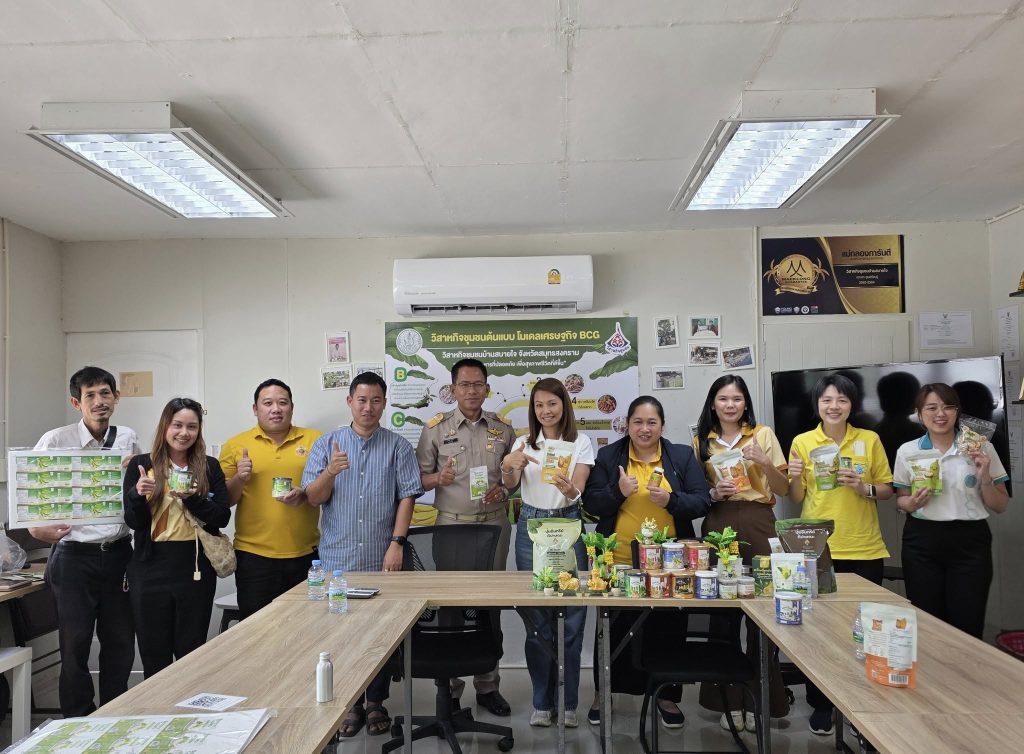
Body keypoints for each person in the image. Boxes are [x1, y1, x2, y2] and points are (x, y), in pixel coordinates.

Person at [302, 372, 422, 738]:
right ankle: (350, 703)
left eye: (375, 401)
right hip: (337, 559)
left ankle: (376, 702)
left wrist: (397, 543)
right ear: (350, 402)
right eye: (362, 400)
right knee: (340, 633)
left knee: (380, 634)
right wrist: (330, 472)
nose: (368, 407)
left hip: (381, 555)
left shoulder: (398, 446)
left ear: (384, 404)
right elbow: (313, 497)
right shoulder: (327, 444)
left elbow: (407, 497)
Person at [583, 395, 711, 727]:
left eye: (652, 422)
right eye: (638, 422)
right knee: (611, 631)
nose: (644, 428)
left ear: (662, 426)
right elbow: (592, 504)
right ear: (627, 425)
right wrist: (618, 492)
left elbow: (701, 501)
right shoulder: (609, 456)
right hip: (618, 561)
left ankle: (666, 696)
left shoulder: (680, 456)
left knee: (667, 629)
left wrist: (671, 500)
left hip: (670, 564)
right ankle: (603, 693)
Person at [30, 366, 141, 717]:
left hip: (119, 554)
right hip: (73, 557)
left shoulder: (127, 437)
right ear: (76, 402)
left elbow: (139, 492)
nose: (99, 401)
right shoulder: (55, 440)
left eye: (105, 393)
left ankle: (114, 715)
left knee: (120, 642)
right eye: (90, 395)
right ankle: (77, 721)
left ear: (116, 397)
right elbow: (29, 492)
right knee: (74, 644)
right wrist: (36, 530)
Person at [787, 373, 894, 735]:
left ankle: (860, 703)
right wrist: (794, 476)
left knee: (864, 630)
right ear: (817, 405)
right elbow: (796, 497)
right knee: (819, 632)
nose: (834, 407)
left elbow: (887, 489)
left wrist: (864, 488)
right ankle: (821, 704)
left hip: (864, 546)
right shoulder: (802, 441)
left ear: (852, 405)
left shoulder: (869, 439)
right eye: (827, 400)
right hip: (817, 547)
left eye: (842, 400)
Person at [415, 358, 516, 716]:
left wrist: (505, 490)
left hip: (493, 525)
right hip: (451, 526)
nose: (472, 391)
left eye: (478, 384)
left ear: (487, 388)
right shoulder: (435, 430)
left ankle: (488, 686)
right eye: (464, 384)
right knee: (450, 606)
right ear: (453, 389)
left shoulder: (503, 429)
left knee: (490, 605)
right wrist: (437, 480)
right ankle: (451, 687)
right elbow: (417, 480)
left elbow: (514, 478)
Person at [694, 375, 790, 732]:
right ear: (713, 403)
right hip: (719, 521)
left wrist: (764, 462)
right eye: (723, 398)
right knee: (723, 613)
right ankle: (728, 702)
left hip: (759, 521)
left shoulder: (762, 435)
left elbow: (784, 488)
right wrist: (713, 493)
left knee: (762, 612)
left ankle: (760, 701)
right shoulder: (701, 441)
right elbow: (696, 491)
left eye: (736, 398)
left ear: (745, 403)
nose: (730, 405)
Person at [500, 378, 593, 729]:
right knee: (537, 621)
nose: (546, 411)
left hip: (568, 524)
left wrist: (569, 490)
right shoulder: (524, 443)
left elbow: (578, 490)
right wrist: (509, 466)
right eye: (539, 405)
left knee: (571, 618)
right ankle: (541, 701)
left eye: (552, 403)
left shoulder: (580, 443)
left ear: (564, 405)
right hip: (531, 527)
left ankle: (568, 703)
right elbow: (510, 485)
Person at [122, 397, 231, 677]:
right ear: (165, 427)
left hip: (194, 568)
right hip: (149, 567)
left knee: (191, 652)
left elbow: (221, 518)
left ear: (199, 430)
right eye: (177, 425)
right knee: (154, 653)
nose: (184, 433)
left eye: (192, 427)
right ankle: (157, 704)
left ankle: (189, 703)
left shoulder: (209, 466)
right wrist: (137, 494)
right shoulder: (141, 464)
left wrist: (193, 498)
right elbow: (134, 522)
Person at [893, 383, 1009, 638]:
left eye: (948, 407)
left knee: (968, 625)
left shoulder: (981, 447)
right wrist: (911, 504)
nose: (940, 414)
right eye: (931, 408)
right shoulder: (908, 451)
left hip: (970, 543)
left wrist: (985, 477)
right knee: (927, 624)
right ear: (919, 413)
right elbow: (901, 499)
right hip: (921, 542)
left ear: (957, 411)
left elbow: (1000, 505)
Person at [219, 379, 323, 619]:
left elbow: (327, 489)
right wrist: (240, 478)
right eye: (267, 403)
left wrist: (305, 494)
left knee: (306, 626)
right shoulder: (236, 445)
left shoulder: (315, 440)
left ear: (292, 407)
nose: (276, 409)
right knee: (257, 628)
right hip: (253, 557)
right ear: (255, 409)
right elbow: (225, 501)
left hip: (306, 555)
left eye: (282, 402)